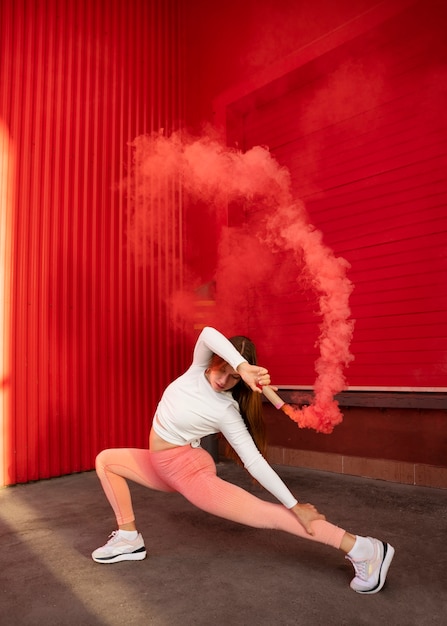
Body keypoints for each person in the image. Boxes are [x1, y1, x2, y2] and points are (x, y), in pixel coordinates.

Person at [92, 326, 394, 594]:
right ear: (214, 360)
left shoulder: (226, 411)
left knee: (272, 515)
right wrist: (242, 366)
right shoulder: (195, 371)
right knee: (107, 461)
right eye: (221, 369)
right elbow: (208, 332)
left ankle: (363, 549)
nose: (224, 380)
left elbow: (255, 462)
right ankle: (129, 538)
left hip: (188, 473)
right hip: (160, 466)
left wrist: (294, 504)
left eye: (234, 377)